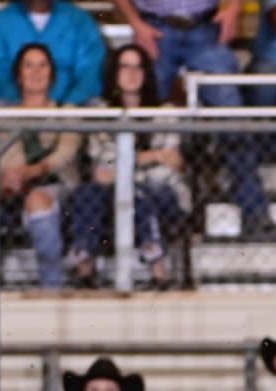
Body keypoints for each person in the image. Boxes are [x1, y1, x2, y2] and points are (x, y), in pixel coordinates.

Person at [106, 0, 276, 240]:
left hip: (205, 30)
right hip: (157, 35)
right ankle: (149, 219)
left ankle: (254, 212)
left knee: (232, 117)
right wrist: (136, 24)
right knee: (148, 121)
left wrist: (233, 8)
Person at [66, 43, 189, 288]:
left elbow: (171, 165)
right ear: (114, 72)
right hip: (111, 197)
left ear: (147, 74)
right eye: (124, 67)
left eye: (138, 67)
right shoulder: (100, 113)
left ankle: (159, 272)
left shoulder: (165, 114)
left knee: (141, 193)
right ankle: (85, 268)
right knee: (88, 193)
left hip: (161, 194)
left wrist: (124, 164)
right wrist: (153, 155)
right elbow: (101, 170)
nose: (132, 73)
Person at [0, 42, 77, 290]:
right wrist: (2, 178)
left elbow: (65, 152)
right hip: (4, 183)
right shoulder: (0, 115)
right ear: (18, 75)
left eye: (42, 65)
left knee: (37, 201)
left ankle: (51, 287)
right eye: (28, 66)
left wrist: (29, 172)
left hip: (51, 185)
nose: (36, 72)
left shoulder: (66, 113)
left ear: (52, 73)